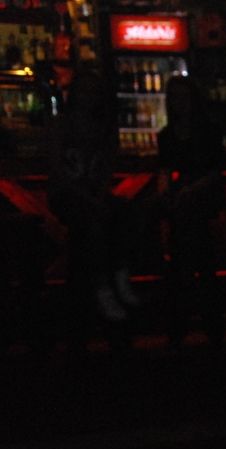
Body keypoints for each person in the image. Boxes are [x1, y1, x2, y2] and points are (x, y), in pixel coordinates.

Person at [47, 69, 140, 327]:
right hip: (67, 194)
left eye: (93, 92)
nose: (89, 96)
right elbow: (58, 173)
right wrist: (93, 200)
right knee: (94, 223)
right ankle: (103, 288)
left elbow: (106, 169)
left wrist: (98, 196)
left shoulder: (104, 128)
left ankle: (118, 277)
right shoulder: (61, 125)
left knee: (125, 213)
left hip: (93, 194)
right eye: (85, 91)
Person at [156, 75, 225, 347]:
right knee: (195, 259)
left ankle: (183, 324)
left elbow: (215, 172)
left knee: (189, 259)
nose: (179, 103)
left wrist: (186, 190)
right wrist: (167, 193)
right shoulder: (168, 135)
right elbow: (164, 170)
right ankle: (204, 324)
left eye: (183, 97)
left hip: (201, 204)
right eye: (175, 98)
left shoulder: (207, 132)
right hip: (186, 205)